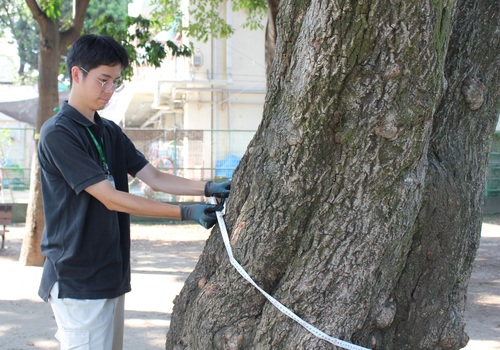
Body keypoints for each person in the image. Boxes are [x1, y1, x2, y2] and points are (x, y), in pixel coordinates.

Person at [37, 34, 231, 350]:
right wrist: (185, 212)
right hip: (78, 280)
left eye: (115, 81)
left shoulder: (109, 130)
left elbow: (153, 177)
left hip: (111, 275)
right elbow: (111, 198)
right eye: (103, 80)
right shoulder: (59, 133)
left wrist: (207, 188)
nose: (110, 90)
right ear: (77, 74)